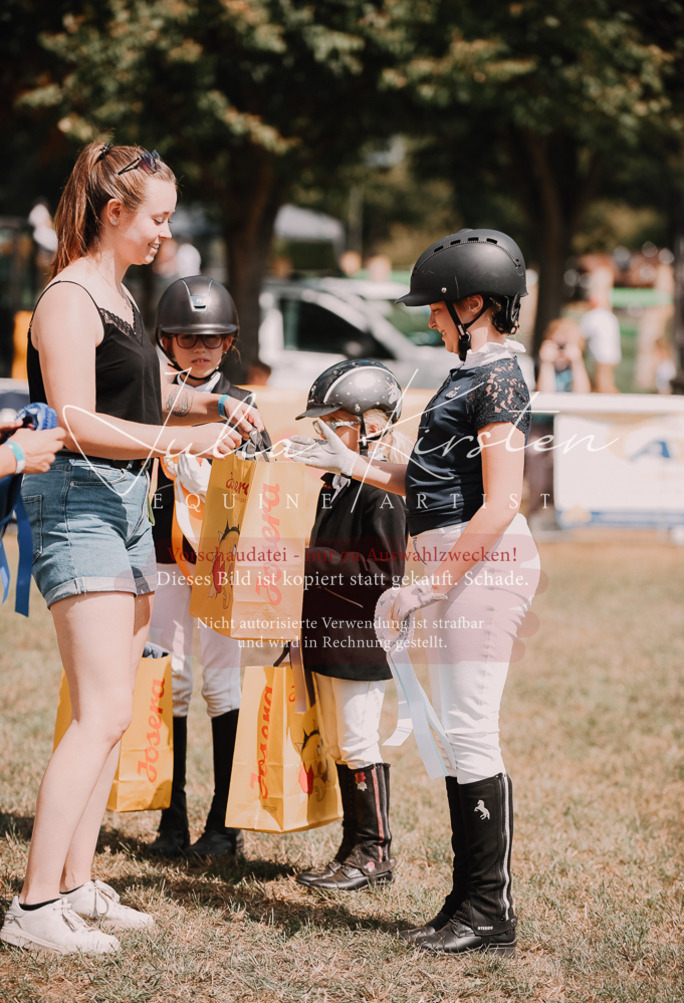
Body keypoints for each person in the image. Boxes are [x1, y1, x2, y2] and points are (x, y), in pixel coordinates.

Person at [0, 142, 263, 956]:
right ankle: (35, 906)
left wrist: (213, 409)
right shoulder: (69, 299)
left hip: (119, 505)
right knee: (106, 710)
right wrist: (179, 438)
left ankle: (77, 884)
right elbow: (75, 418)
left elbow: (146, 385)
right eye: (155, 218)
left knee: (106, 712)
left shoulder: (116, 293)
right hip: (79, 501)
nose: (165, 234)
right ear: (113, 214)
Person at [288, 229, 540, 956]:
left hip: (478, 568)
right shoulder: (468, 376)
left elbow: (498, 502)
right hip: (456, 567)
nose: (429, 319)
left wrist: (430, 586)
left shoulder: (498, 381)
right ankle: (466, 901)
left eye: (435, 307)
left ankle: (489, 912)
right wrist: (353, 461)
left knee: (469, 732)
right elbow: (429, 483)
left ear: (471, 303)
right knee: (458, 739)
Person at [146, 275, 269, 860]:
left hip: (223, 564)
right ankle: (170, 817)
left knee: (221, 682)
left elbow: (264, 492)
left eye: (213, 339)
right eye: (187, 338)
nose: (200, 348)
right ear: (166, 341)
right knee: (169, 680)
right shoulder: (147, 398)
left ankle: (224, 824)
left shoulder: (243, 407)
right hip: (164, 556)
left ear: (230, 342)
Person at [293, 359, 409, 892]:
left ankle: (376, 851)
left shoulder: (382, 492)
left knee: (360, 741)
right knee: (340, 743)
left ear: (372, 424)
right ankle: (352, 843)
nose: (323, 432)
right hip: (329, 635)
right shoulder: (333, 485)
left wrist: (308, 561)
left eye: (334, 421)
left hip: (361, 639)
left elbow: (384, 572)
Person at [526, 318, 590, 521]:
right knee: (535, 453)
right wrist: (546, 363)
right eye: (557, 344)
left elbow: (582, 396)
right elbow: (547, 395)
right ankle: (535, 512)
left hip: (571, 429)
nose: (561, 350)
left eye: (566, 345)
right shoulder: (535, 366)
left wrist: (576, 361)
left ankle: (563, 514)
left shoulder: (578, 367)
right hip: (541, 426)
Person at [580, 294, 622, 393]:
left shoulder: (592, 315)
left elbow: (582, 335)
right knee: (606, 381)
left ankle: (617, 405)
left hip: (601, 355)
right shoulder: (609, 315)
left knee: (603, 384)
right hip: (613, 355)